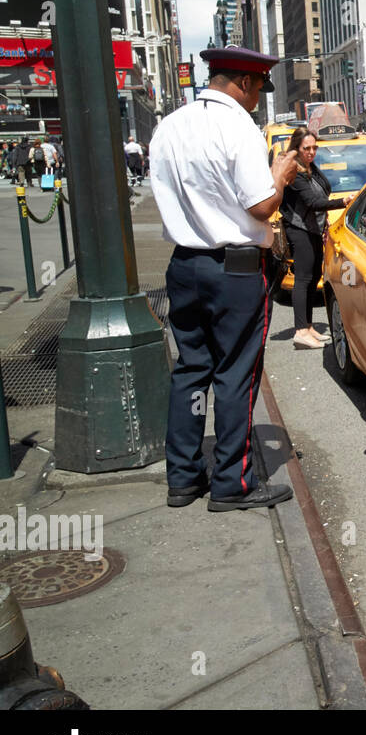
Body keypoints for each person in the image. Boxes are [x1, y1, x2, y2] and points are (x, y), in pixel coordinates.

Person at [150, 46, 298, 512]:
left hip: (184, 264)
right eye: (257, 90)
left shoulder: (169, 126)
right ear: (245, 83)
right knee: (235, 373)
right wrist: (281, 175)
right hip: (233, 268)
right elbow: (261, 206)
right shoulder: (238, 127)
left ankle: (184, 477)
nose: (257, 100)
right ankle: (232, 481)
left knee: (191, 370)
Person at [279, 128, 352, 348]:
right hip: (299, 228)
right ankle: (301, 331)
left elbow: (322, 192)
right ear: (297, 148)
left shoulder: (309, 167)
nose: (311, 152)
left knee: (312, 279)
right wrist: (342, 202)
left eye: (314, 148)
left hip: (313, 228)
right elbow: (312, 202)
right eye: (306, 148)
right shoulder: (295, 171)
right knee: (302, 279)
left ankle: (308, 327)